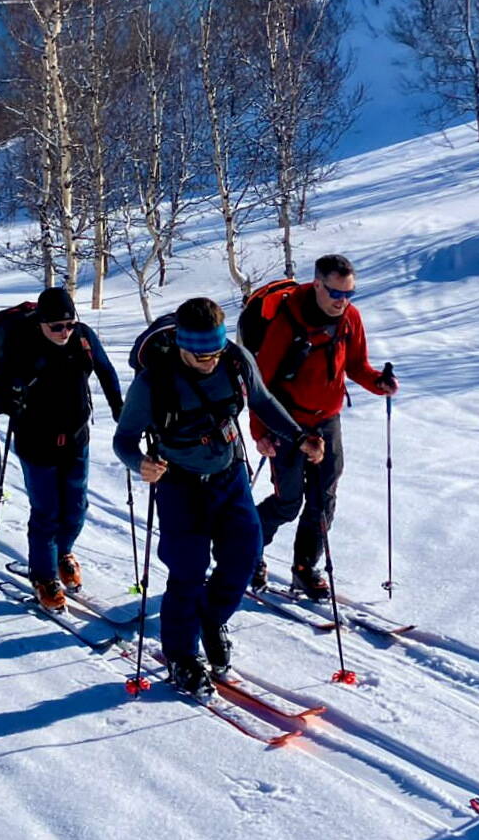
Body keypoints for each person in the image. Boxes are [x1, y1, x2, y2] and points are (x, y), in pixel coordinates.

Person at [114, 298, 323, 698]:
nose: (209, 361)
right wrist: (139, 463)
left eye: (214, 352)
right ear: (180, 345)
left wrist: (299, 435)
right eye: (199, 355)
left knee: (246, 555)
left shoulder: (235, 360)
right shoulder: (153, 381)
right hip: (179, 484)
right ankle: (181, 654)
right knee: (188, 570)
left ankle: (212, 621)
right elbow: (124, 439)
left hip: (229, 475)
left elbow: (262, 401)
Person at [246, 255, 396, 600]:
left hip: (328, 420)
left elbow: (357, 365)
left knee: (323, 500)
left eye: (349, 294)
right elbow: (260, 383)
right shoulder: (288, 322)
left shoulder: (349, 318)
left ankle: (304, 568)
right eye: (335, 293)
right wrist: (260, 432)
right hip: (288, 423)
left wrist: (378, 383)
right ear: (317, 285)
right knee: (287, 502)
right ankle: (247, 551)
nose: (342, 301)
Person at [0, 287, 124, 612]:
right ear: (41, 324)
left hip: (76, 438)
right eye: (56, 327)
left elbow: (105, 371)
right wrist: (9, 398)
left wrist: (121, 411)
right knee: (46, 512)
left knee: (76, 509)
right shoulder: (21, 346)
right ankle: (43, 576)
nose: (64, 332)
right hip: (36, 442)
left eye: (69, 324)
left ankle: (62, 554)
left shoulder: (83, 338)